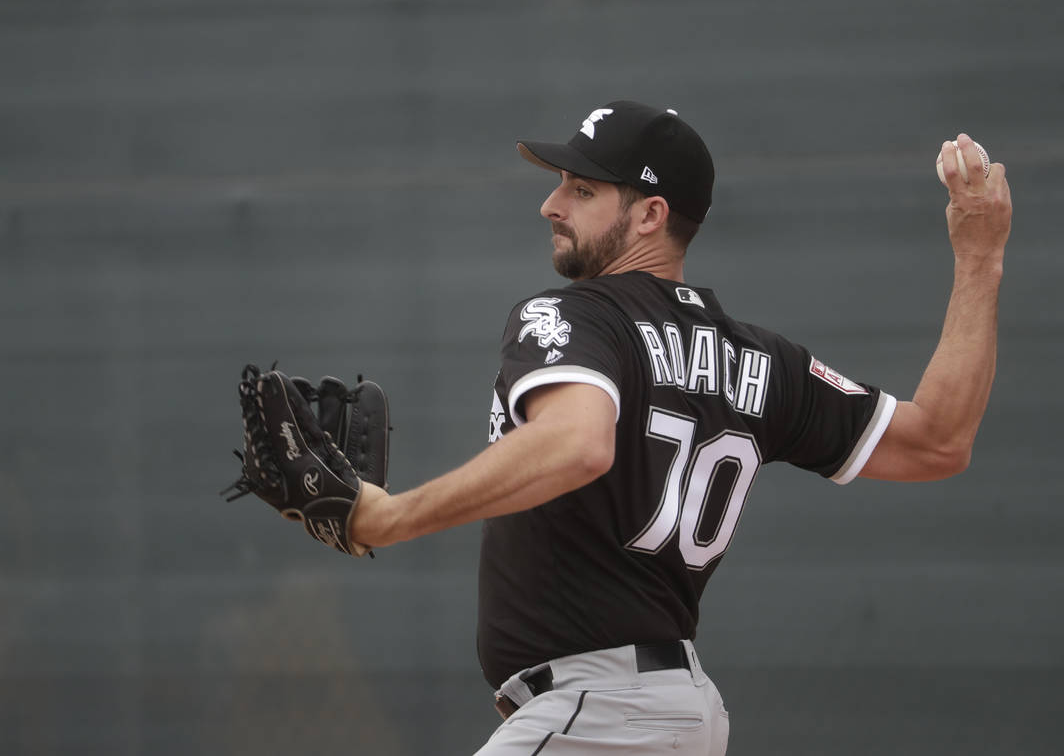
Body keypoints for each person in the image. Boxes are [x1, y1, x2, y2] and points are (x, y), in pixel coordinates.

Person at [349, 100, 1012, 755]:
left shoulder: (575, 318)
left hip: (598, 713)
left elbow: (577, 442)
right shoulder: (759, 360)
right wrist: (979, 259)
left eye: (582, 189)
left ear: (650, 215)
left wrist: (389, 516)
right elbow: (938, 440)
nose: (552, 205)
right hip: (672, 712)